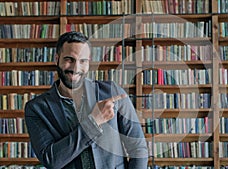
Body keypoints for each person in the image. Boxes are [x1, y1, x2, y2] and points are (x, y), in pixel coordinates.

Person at [24, 31, 148, 169]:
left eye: (82, 61)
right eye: (69, 59)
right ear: (57, 59)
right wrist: (93, 123)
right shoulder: (36, 108)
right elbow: (51, 160)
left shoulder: (112, 92)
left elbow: (138, 148)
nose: (76, 68)